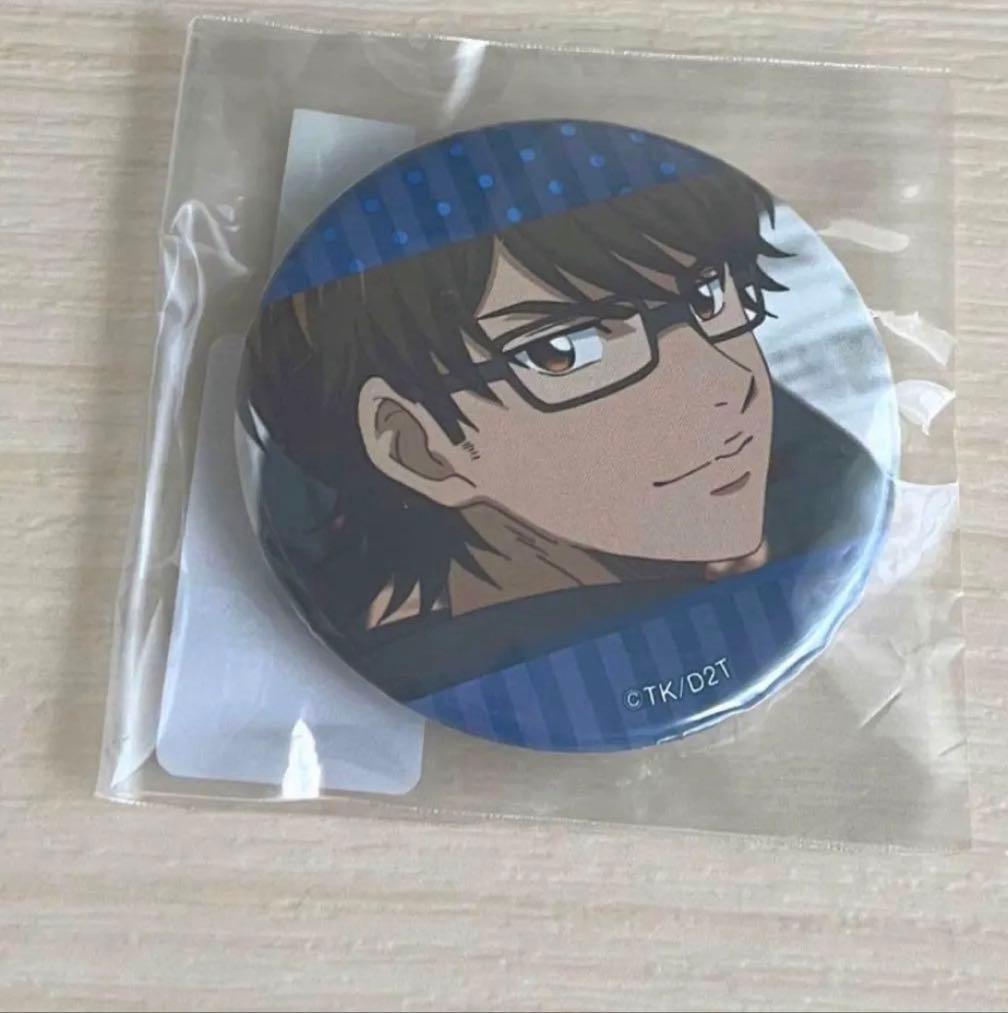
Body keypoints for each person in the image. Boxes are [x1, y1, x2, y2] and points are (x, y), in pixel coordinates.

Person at [239, 120, 888, 746]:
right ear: (418, 444)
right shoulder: (462, 654)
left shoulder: (815, 488)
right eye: (564, 352)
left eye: (705, 297)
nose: (728, 385)